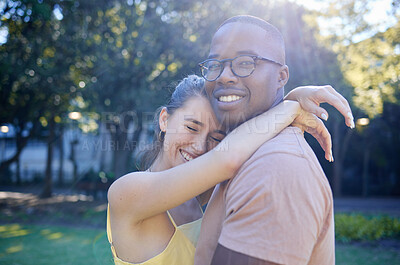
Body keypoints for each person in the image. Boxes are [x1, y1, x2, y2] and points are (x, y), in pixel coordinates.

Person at [107, 74, 351, 265]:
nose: (200, 146)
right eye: (192, 127)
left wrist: (292, 97)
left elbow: (248, 135)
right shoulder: (127, 193)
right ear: (164, 120)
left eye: (216, 137)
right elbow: (229, 158)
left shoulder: (202, 192)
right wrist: (292, 106)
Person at [193, 15, 354, 265]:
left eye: (245, 62)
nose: (224, 76)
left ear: (281, 76)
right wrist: (289, 103)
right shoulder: (245, 149)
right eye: (214, 64)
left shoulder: (276, 169)